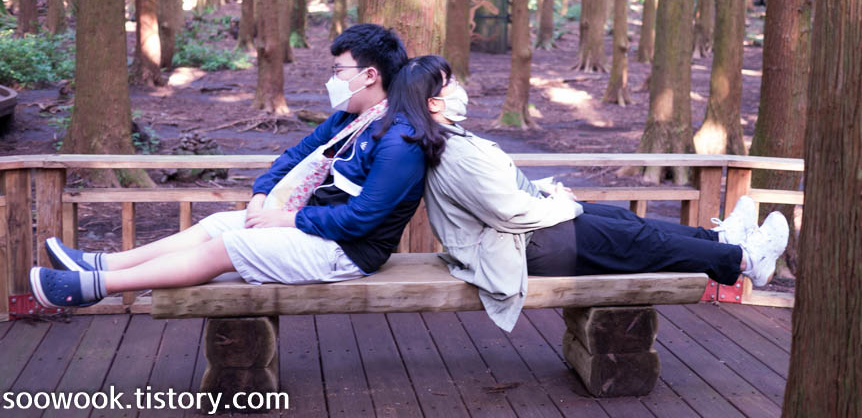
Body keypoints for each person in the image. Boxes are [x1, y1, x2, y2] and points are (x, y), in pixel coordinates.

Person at [379, 55, 789, 332]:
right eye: (451, 83)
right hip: (522, 248)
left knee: (623, 221)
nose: (460, 87)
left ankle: (721, 239)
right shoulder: (452, 151)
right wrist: (558, 205)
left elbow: (495, 193)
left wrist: (543, 190)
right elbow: (508, 212)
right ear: (434, 103)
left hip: (525, 237)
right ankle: (746, 259)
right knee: (634, 240)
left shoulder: (447, 137)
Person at [30, 24, 427, 308]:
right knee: (221, 223)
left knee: (230, 244)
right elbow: (293, 156)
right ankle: (100, 262)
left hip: (348, 252)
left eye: (339, 71)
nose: (332, 80)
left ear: (369, 75)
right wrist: (260, 197)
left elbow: (362, 219)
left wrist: (285, 220)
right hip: (316, 227)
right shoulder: (348, 119)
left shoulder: (399, 140)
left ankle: (97, 286)